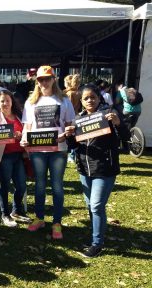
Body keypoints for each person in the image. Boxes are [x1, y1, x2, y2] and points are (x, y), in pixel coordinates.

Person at [65, 84, 130, 257]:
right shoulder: (79, 119)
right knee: (91, 205)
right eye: (86, 98)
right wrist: (69, 135)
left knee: (96, 205)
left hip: (105, 168)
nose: (90, 100)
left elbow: (126, 138)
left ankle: (97, 244)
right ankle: (96, 236)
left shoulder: (109, 115)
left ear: (99, 98)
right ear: (81, 101)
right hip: (85, 169)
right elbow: (73, 146)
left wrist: (118, 124)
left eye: (93, 97)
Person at [20, 65, 75, 239]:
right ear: (37, 81)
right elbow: (27, 126)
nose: (44, 82)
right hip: (38, 150)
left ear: (53, 79)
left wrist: (66, 134)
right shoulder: (31, 101)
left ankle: (57, 222)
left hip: (58, 149)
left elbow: (70, 125)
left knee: (57, 186)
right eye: (40, 79)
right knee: (40, 185)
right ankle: (39, 218)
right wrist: (24, 139)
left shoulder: (64, 100)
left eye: (47, 78)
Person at [0, 90, 29, 227]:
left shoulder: (19, 116)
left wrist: (20, 135)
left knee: (21, 185)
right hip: (3, 156)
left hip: (18, 155)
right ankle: (5, 214)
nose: (5, 103)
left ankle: (16, 210)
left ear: (12, 102)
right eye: (2, 101)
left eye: (7, 100)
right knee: (4, 186)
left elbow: (26, 132)